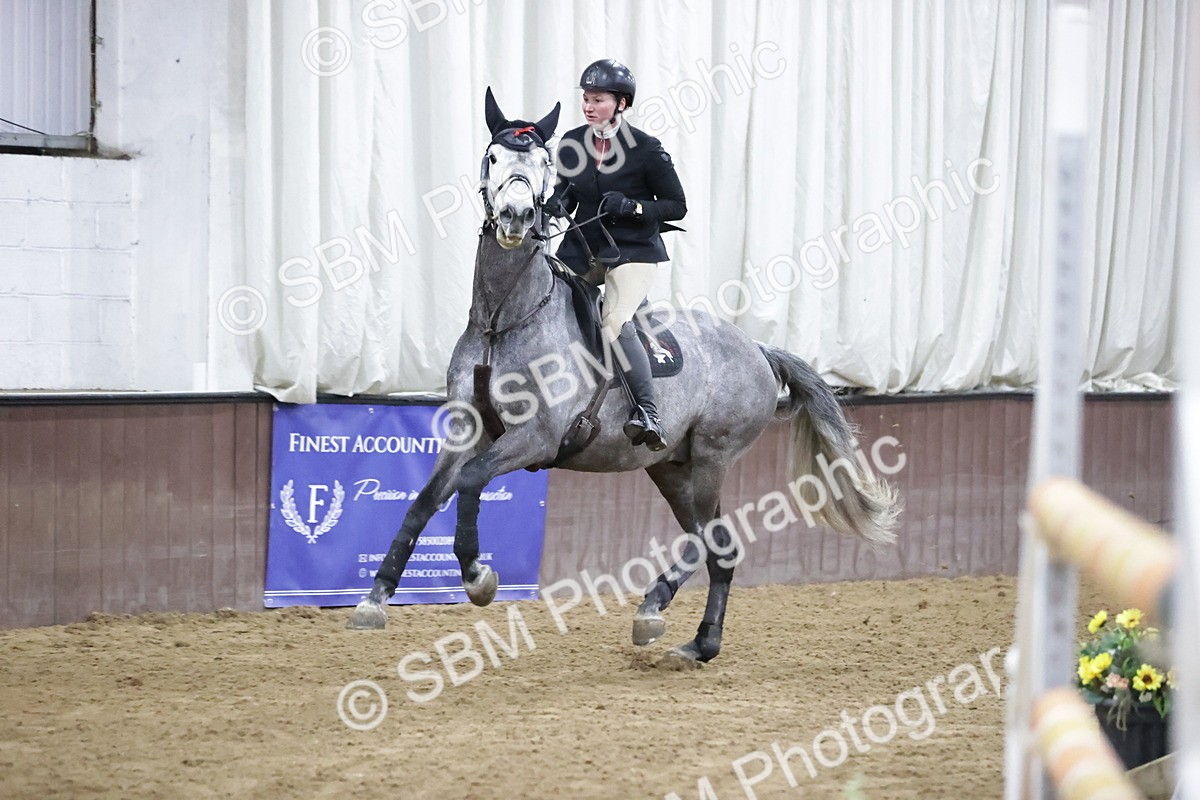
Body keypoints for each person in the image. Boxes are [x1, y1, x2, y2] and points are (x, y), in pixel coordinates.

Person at [546, 58, 687, 452]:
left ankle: (647, 412)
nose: (589, 106)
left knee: (613, 321)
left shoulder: (647, 149)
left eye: (599, 100)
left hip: (632, 252)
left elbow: (677, 206)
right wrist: (557, 203)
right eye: (586, 99)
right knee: (542, 301)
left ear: (621, 103)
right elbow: (568, 191)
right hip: (582, 247)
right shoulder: (573, 142)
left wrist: (633, 206)